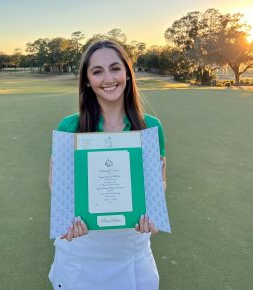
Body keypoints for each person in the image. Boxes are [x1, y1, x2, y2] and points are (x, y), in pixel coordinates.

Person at [48, 40, 167, 290]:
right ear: (88, 81)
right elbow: (57, 185)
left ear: (127, 73)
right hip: (81, 252)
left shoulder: (151, 128)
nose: (108, 78)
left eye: (115, 68)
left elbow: (160, 182)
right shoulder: (70, 128)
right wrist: (67, 219)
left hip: (131, 251)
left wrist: (152, 212)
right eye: (97, 71)